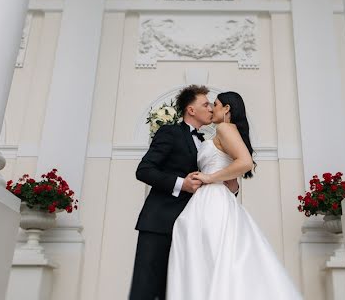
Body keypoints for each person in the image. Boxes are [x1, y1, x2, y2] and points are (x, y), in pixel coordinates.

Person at [166, 91, 302, 300]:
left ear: (227, 108)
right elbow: (231, 169)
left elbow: (245, 162)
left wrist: (210, 177)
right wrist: (225, 180)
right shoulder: (225, 132)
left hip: (212, 200)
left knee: (209, 254)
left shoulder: (224, 128)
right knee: (214, 253)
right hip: (211, 199)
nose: (212, 108)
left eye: (216, 104)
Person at [129, 85, 238, 300]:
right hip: (160, 222)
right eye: (205, 104)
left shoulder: (209, 143)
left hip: (192, 225)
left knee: (180, 289)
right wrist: (181, 184)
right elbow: (144, 170)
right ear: (191, 110)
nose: (210, 108)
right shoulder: (169, 133)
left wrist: (229, 188)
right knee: (147, 288)